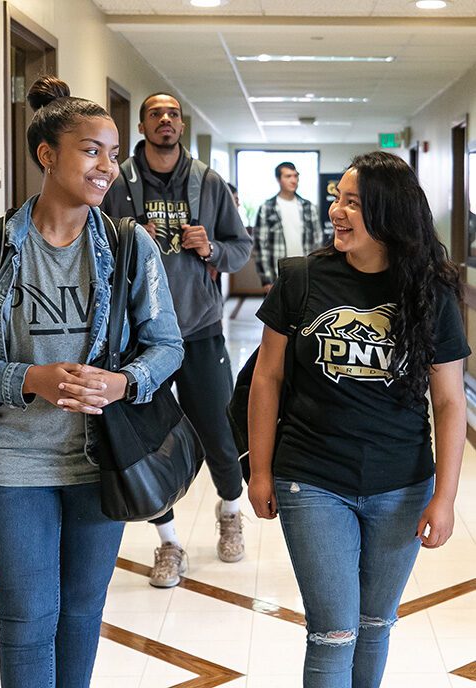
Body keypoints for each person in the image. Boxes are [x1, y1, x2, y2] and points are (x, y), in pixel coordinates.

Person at [0, 76, 183, 688]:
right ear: (48, 155)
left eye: (114, 153)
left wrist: (125, 383)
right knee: (27, 618)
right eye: (92, 150)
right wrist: (29, 379)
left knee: (82, 613)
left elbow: (168, 345)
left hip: (102, 461)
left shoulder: (130, 247)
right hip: (12, 465)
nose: (107, 167)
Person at [248, 151, 469, 687]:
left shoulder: (429, 292)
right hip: (313, 477)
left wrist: (444, 496)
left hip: (402, 483)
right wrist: (259, 471)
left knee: (374, 625)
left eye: (352, 203)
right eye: (336, 200)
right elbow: (266, 378)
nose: (336, 213)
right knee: (333, 632)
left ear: (388, 216)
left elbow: (449, 401)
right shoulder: (301, 279)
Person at [101, 92, 252, 588]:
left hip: (199, 327)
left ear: (181, 125)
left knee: (217, 426)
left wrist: (210, 246)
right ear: (142, 124)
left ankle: (231, 510)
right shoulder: (118, 182)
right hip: (139, 336)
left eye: (173, 114)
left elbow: (240, 248)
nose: (165, 120)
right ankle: (168, 542)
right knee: (147, 440)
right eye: (155, 114)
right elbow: (90, 240)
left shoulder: (208, 182)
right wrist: (126, 233)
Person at [253, 161, 323, 293]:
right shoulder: (267, 208)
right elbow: (260, 246)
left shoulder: (309, 207)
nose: (293, 180)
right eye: (288, 176)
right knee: (278, 313)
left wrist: (316, 272)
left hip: (305, 273)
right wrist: (266, 279)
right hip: (277, 274)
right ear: (278, 179)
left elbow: (318, 241)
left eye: (296, 176)